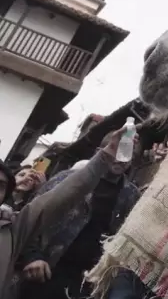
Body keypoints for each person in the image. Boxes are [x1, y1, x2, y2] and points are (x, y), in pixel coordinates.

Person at [0, 127, 126, 299]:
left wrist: (106, 157)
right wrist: (33, 257)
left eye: (0, 186)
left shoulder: (12, 229)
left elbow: (65, 194)